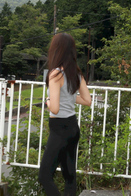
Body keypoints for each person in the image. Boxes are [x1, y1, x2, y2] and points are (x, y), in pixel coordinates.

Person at [38, 33, 92, 196]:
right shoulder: (76, 73)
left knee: (45, 176)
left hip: (59, 129)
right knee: (69, 177)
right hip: (72, 127)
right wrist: (67, 98)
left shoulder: (55, 74)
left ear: (56, 50)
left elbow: (54, 108)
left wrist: (47, 100)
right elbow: (87, 100)